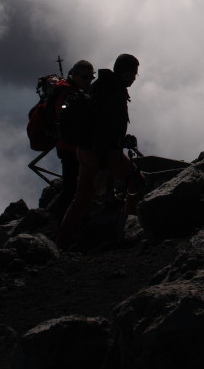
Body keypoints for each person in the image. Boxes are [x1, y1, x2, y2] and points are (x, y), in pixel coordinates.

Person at [56, 53, 146, 250]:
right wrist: (105, 168)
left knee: (81, 199)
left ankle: (62, 242)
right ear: (125, 72)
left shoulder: (99, 86)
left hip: (84, 150)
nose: (134, 78)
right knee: (136, 182)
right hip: (103, 153)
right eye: (133, 74)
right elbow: (105, 132)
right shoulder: (114, 94)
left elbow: (98, 125)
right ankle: (131, 228)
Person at [48, 60, 95, 219]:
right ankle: (54, 219)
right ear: (74, 75)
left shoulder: (68, 91)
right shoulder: (70, 95)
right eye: (85, 77)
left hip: (68, 147)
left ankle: (58, 218)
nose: (88, 80)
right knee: (71, 188)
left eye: (91, 77)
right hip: (71, 148)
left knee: (73, 186)